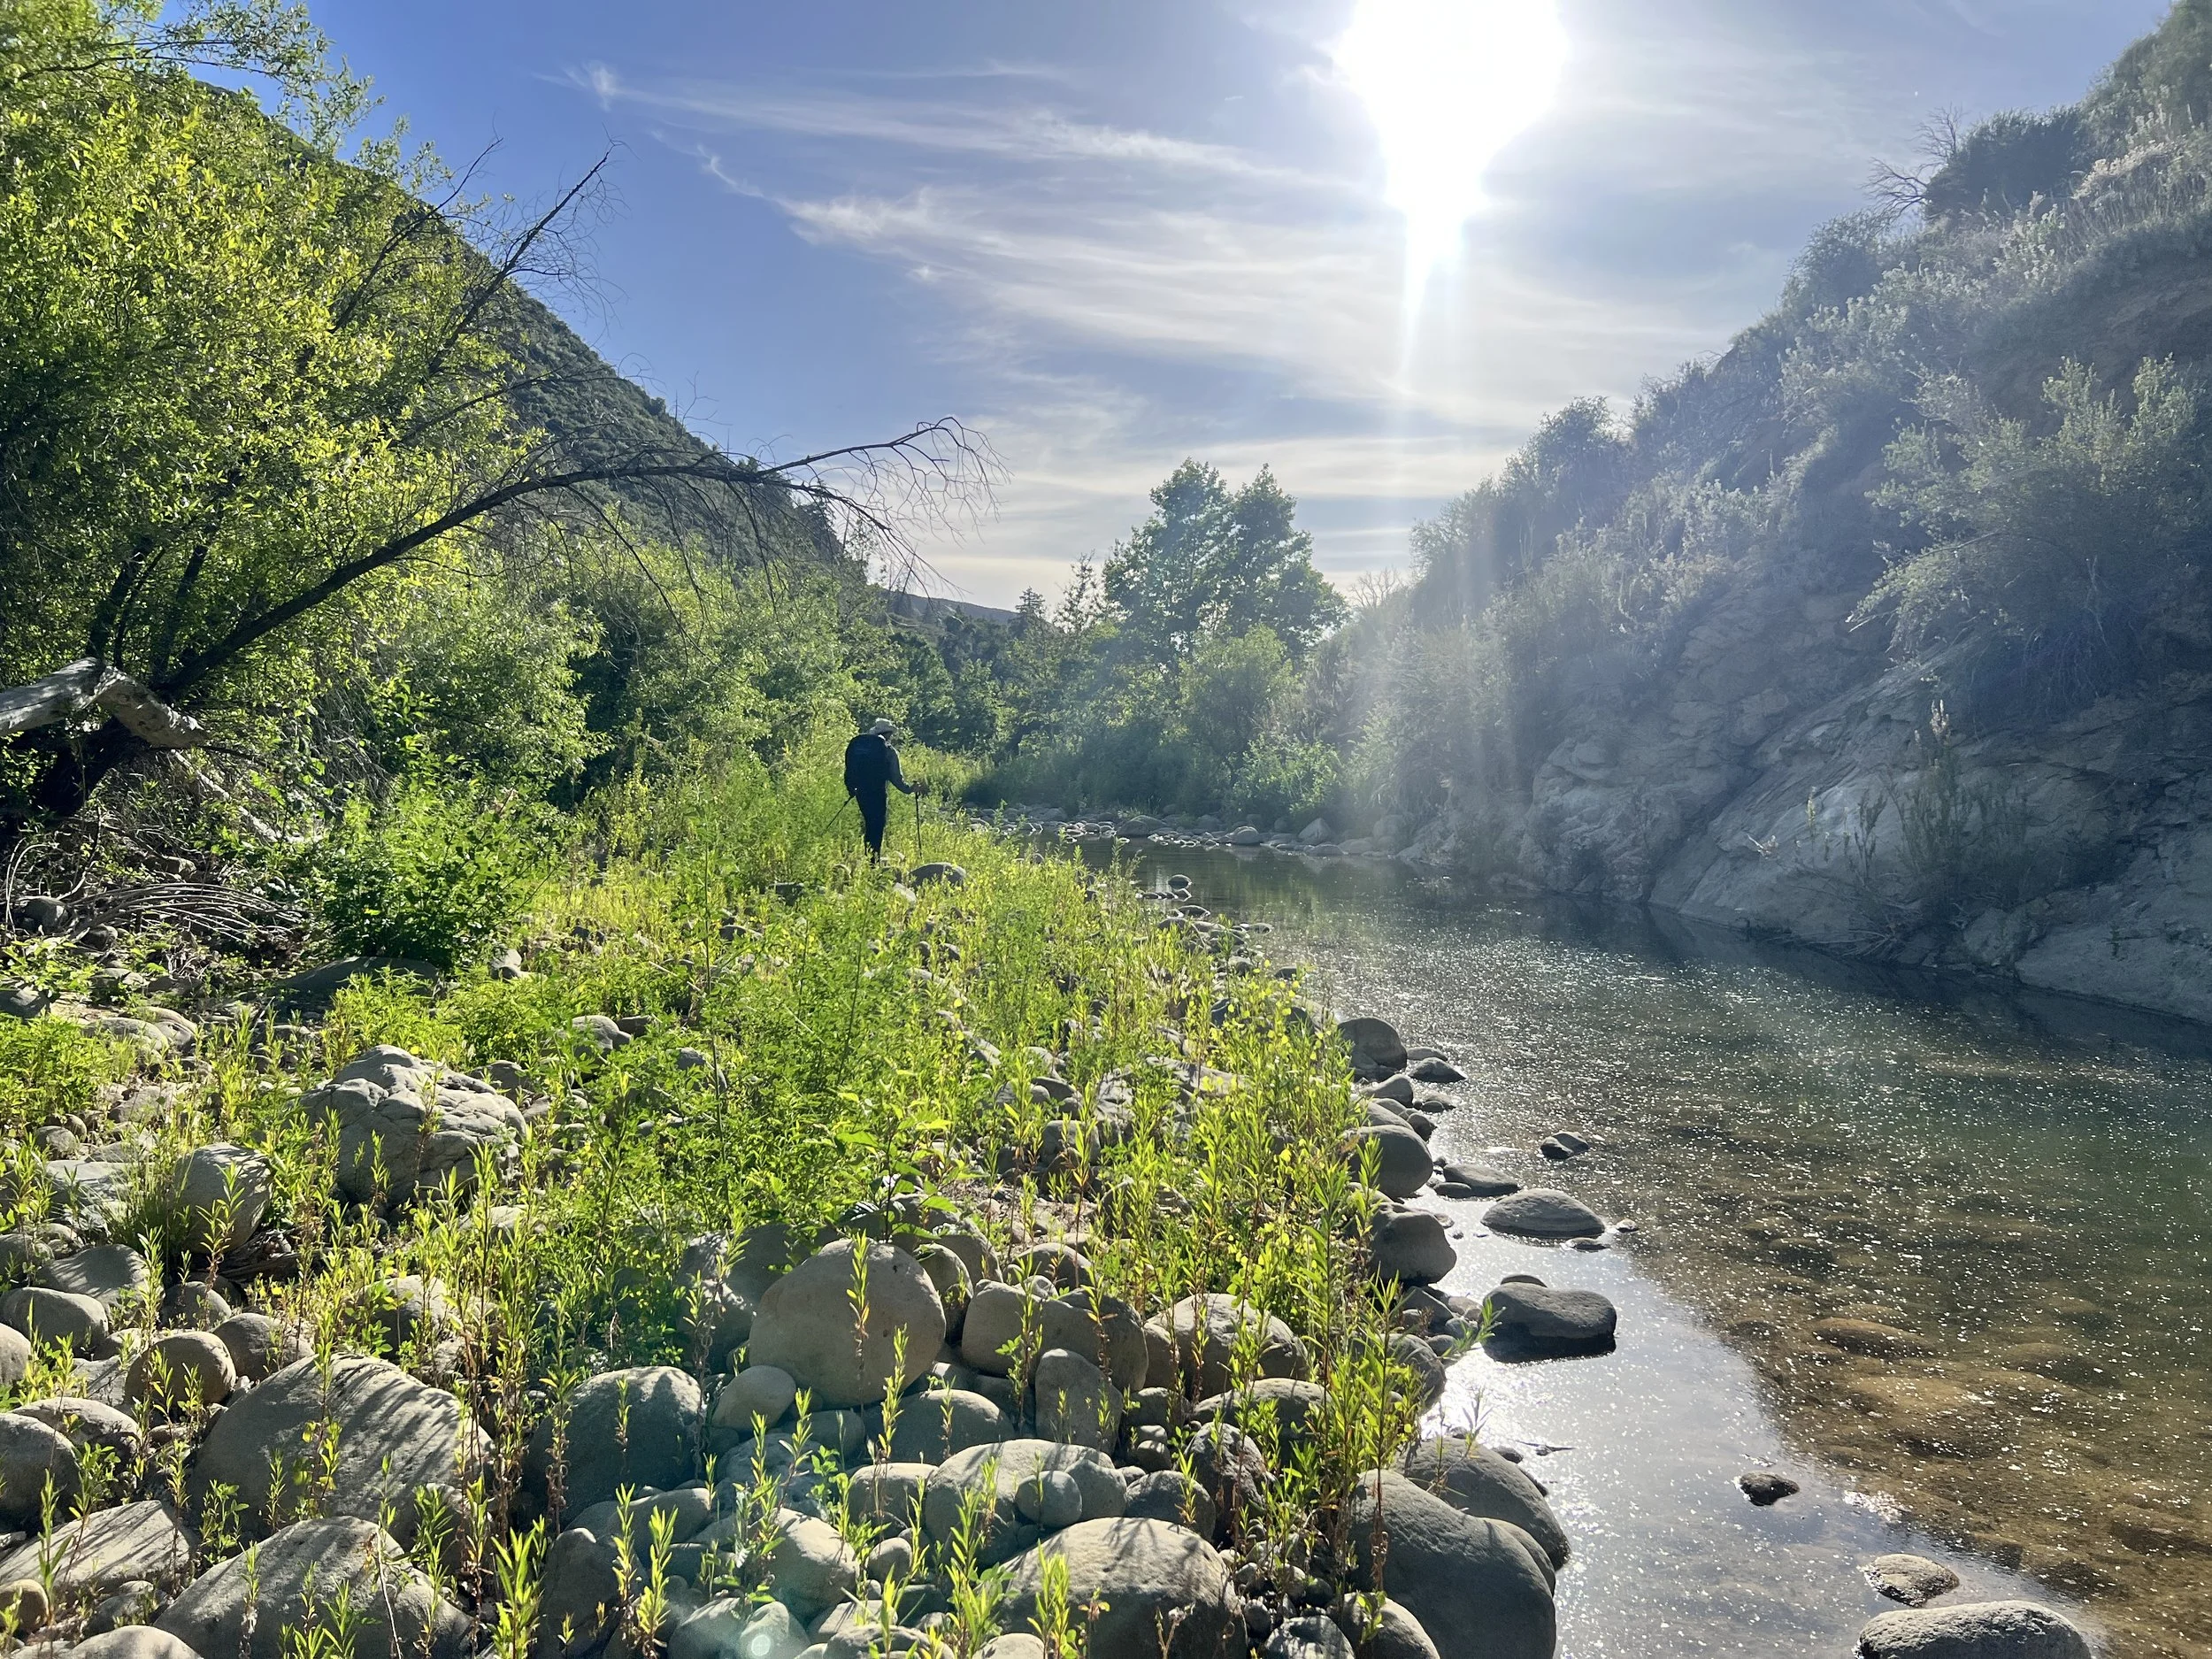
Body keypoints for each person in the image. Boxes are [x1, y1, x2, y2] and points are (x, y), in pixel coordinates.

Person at [842, 718, 917, 864]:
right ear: (887, 734)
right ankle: (873, 861)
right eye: (891, 734)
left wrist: (851, 789)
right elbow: (896, 778)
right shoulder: (888, 750)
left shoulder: (859, 746)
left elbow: (849, 768)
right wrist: (909, 789)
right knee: (877, 825)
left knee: (869, 822)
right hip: (878, 792)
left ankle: (869, 857)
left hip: (861, 792)